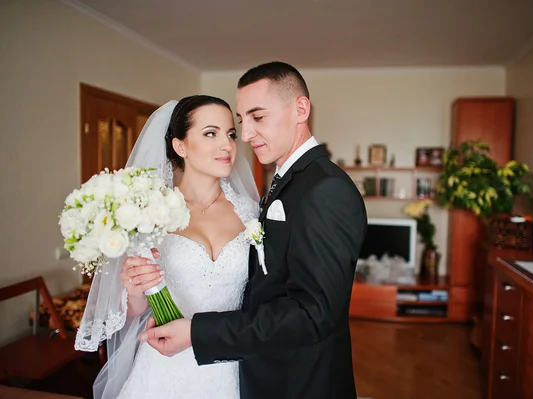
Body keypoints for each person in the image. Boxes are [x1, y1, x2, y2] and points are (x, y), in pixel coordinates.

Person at [141, 61, 368, 399]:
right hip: (258, 372)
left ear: (300, 109)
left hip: (301, 384)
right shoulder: (288, 183)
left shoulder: (325, 189)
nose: (244, 135)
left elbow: (312, 314)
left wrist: (198, 332)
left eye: (257, 117)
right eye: (242, 121)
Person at [74, 95, 260, 399]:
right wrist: (134, 288)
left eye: (230, 134)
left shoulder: (250, 213)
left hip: (233, 364)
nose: (226, 145)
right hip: (166, 367)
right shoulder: (149, 215)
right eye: (210, 133)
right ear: (180, 146)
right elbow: (135, 311)